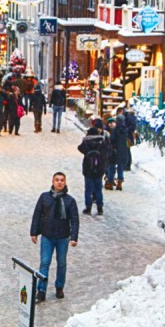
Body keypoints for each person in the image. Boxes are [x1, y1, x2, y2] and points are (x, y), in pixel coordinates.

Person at [30, 172, 79, 302]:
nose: (59, 182)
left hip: (63, 237)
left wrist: (74, 237)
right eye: (57, 180)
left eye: (62, 180)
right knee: (44, 263)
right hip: (47, 236)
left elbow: (74, 220)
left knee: (61, 263)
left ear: (65, 182)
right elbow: (37, 214)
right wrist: (34, 232)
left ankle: (59, 287)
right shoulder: (44, 197)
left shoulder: (70, 201)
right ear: (52, 182)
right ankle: (41, 290)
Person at [77, 119, 110, 216]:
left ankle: (88, 207)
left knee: (88, 189)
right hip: (99, 168)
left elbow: (80, 148)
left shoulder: (86, 142)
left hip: (88, 168)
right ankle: (100, 207)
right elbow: (106, 151)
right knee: (98, 188)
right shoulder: (101, 142)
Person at [105, 115, 129, 191]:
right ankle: (119, 182)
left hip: (115, 151)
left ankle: (110, 182)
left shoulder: (115, 130)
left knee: (111, 166)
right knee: (120, 167)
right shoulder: (125, 130)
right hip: (123, 151)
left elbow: (112, 139)